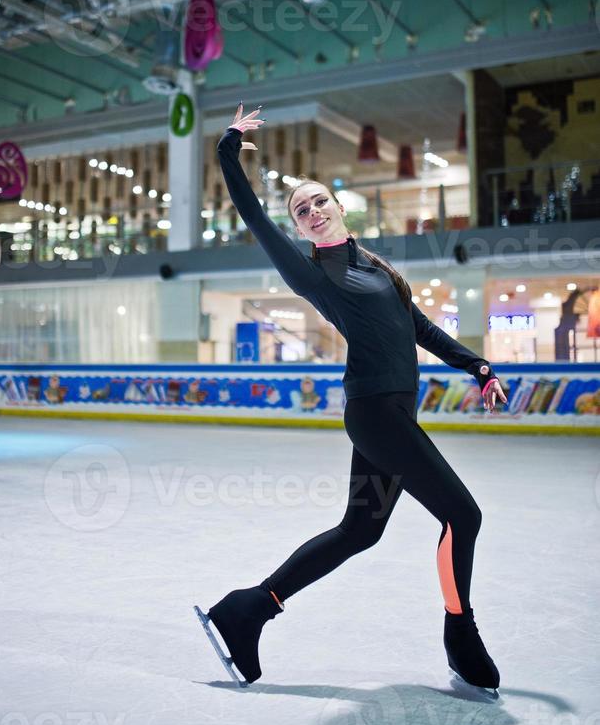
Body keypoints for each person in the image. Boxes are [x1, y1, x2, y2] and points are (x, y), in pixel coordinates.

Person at [195, 103, 508, 692]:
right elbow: (253, 214)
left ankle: (246, 610)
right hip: (374, 416)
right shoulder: (314, 274)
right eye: (300, 208)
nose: (310, 212)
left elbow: (419, 328)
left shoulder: (376, 269)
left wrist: (478, 365)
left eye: (318, 201)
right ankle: (460, 635)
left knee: (360, 530)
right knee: (462, 515)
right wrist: (228, 146)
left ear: (339, 207)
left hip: (390, 415)